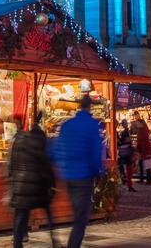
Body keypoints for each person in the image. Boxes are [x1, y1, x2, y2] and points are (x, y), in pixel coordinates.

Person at [50, 94, 104, 248]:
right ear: (90, 107)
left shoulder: (67, 125)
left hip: (67, 175)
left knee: (77, 212)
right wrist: (98, 170)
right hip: (84, 174)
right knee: (81, 217)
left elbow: (57, 147)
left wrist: (60, 167)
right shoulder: (92, 125)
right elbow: (95, 151)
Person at [7, 111, 58, 248]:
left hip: (20, 186)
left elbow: (11, 165)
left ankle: (17, 244)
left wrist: (11, 180)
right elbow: (45, 166)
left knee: (20, 215)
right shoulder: (39, 145)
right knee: (48, 213)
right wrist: (52, 185)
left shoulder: (18, 142)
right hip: (36, 186)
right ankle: (54, 241)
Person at [117, 120, 136, 191]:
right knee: (128, 169)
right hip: (126, 153)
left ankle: (125, 181)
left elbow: (121, 141)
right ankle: (128, 184)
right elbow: (125, 140)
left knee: (123, 168)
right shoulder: (126, 132)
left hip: (124, 153)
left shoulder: (124, 132)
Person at [135, 117, 151, 184]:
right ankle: (147, 179)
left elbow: (141, 141)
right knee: (146, 165)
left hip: (144, 150)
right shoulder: (145, 130)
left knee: (142, 164)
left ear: (141, 123)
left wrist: (139, 150)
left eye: (137, 123)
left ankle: (143, 179)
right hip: (146, 149)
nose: (136, 124)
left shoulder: (141, 130)